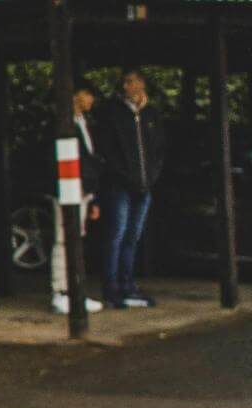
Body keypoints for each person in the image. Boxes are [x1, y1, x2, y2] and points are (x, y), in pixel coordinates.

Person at [95, 67, 165, 309]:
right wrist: (125, 176)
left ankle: (127, 283)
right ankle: (111, 286)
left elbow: (158, 150)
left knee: (132, 236)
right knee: (117, 234)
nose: (127, 87)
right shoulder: (113, 113)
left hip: (144, 185)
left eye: (131, 81)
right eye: (124, 82)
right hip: (121, 185)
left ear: (142, 84)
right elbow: (108, 151)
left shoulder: (151, 114)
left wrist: (151, 176)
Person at [50, 81, 106, 316]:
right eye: (88, 95)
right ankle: (60, 292)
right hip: (68, 189)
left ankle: (74, 289)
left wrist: (93, 196)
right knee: (64, 239)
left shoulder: (84, 123)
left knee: (76, 239)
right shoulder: (61, 123)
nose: (91, 101)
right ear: (76, 96)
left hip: (83, 191)